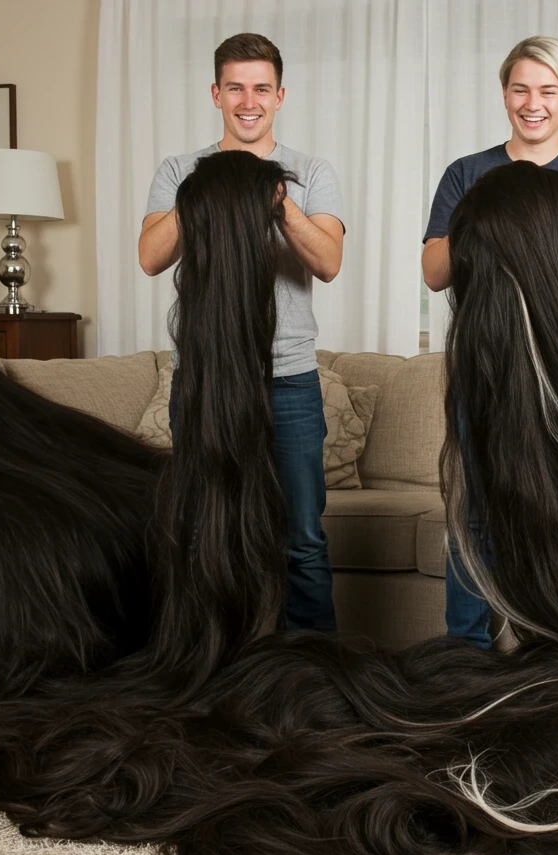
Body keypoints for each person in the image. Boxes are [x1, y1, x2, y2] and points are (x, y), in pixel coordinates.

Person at [422, 36, 558, 648]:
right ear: (505, 95)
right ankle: (464, 662)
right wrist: (488, 208)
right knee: (475, 522)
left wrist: (552, 213)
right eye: (520, 89)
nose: (532, 103)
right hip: (484, 376)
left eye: (547, 91)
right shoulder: (467, 173)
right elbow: (435, 271)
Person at [138, 32, 345, 632]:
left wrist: (274, 198)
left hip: (290, 382)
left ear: (280, 96)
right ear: (216, 94)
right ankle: (217, 665)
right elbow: (151, 257)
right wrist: (210, 187)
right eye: (235, 88)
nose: (247, 101)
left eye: (260, 88)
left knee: (301, 537)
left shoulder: (310, 174)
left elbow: (328, 262)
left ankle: (312, 678)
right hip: (205, 381)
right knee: (208, 530)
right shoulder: (179, 171)